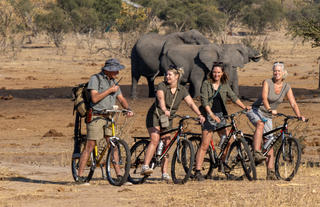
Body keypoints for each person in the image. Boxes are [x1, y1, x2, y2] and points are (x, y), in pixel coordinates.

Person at [140, 65, 205, 181]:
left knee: (167, 143)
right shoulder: (161, 85)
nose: (167, 76)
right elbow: (160, 99)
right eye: (166, 74)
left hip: (167, 118)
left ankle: (164, 172)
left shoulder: (182, 89)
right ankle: (145, 166)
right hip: (156, 115)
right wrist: (164, 109)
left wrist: (199, 115)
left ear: (177, 76)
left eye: (170, 74)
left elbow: (190, 103)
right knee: (155, 139)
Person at [77, 58, 134, 182]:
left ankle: (119, 175)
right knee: (90, 145)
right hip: (96, 116)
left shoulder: (114, 82)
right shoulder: (95, 79)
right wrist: (109, 91)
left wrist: (128, 108)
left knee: (113, 145)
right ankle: (80, 176)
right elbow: (95, 99)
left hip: (109, 117)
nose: (117, 73)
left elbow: (121, 98)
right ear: (108, 70)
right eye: (115, 70)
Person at [246, 61, 305, 180]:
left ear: (283, 73)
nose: (276, 73)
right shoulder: (267, 82)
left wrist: (299, 115)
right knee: (260, 124)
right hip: (257, 110)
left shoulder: (286, 86)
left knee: (270, 142)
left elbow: (293, 102)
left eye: (279, 71)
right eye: (275, 71)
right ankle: (256, 152)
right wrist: (269, 109)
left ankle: (271, 172)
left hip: (269, 115)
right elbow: (264, 98)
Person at [194, 62, 250, 181]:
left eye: (219, 72)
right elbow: (204, 102)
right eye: (214, 72)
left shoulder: (224, 84)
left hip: (221, 116)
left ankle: (222, 165)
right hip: (209, 115)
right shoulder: (206, 84)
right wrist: (211, 115)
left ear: (222, 73)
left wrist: (244, 107)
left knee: (228, 140)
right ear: (211, 72)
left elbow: (233, 97)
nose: (216, 74)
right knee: (204, 144)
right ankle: (197, 171)